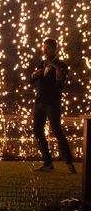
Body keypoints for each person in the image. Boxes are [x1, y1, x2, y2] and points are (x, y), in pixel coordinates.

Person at [29, 38, 76, 173]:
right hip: (39, 103)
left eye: (47, 48)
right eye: (44, 48)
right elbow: (31, 79)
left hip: (52, 104)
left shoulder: (62, 65)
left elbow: (60, 84)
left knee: (57, 132)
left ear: (54, 49)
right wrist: (34, 74)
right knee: (38, 131)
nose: (44, 50)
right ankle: (47, 163)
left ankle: (69, 163)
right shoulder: (43, 63)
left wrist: (58, 72)